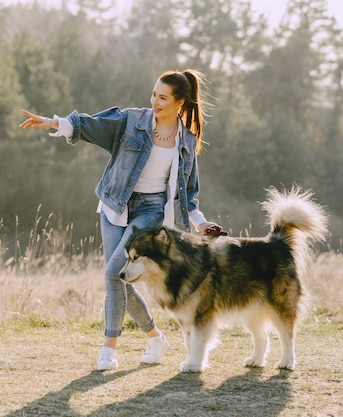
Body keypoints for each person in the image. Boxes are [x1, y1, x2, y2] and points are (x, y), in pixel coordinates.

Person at [19, 69, 221, 371]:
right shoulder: (131, 121)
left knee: (114, 273)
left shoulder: (187, 140)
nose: (154, 101)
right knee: (121, 280)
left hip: (151, 212)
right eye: (153, 94)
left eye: (163, 97)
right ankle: (155, 338)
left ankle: (108, 350)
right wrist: (55, 122)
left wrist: (201, 222)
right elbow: (93, 124)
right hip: (115, 204)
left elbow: (188, 192)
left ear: (180, 102)